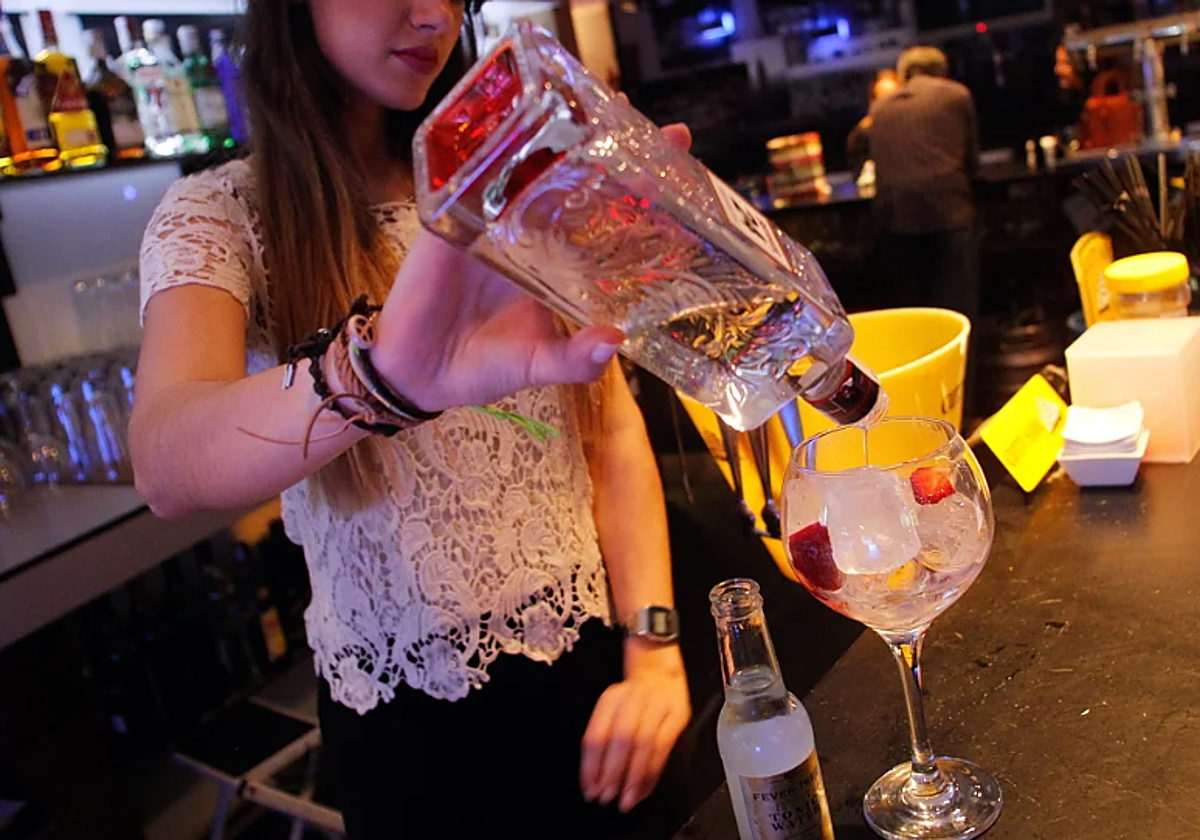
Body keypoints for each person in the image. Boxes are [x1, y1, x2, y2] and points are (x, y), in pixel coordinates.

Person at [128, 1, 694, 838]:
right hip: (410, 726)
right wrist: (379, 374)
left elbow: (607, 432)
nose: (432, 13)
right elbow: (165, 460)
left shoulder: (504, 176)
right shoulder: (220, 214)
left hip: (600, 674)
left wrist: (654, 650)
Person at [869, 46, 980, 324]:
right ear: (942, 72)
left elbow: (859, 147)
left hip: (894, 223)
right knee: (958, 315)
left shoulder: (879, 108)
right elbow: (972, 162)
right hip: (948, 215)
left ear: (903, 74)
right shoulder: (956, 95)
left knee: (916, 319)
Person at [846, 68, 900, 181]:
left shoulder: (912, 129)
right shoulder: (862, 134)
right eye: (883, 98)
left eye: (893, 97)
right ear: (873, 102)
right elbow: (859, 176)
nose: (888, 104)